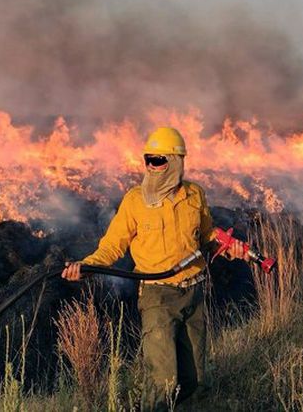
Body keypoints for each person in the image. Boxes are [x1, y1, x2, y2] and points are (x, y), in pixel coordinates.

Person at [62, 126, 249, 410]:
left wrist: (230, 249)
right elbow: (112, 246)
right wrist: (88, 266)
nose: (152, 166)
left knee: (194, 380)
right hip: (157, 296)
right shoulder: (135, 201)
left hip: (194, 293)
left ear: (175, 162)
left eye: (159, 160)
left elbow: (206, 238)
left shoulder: (194, 195)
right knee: (163, 380)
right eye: (148, 159)